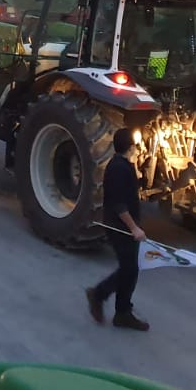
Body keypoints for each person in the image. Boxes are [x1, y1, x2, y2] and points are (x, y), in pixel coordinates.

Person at [87, 128, 150, 331]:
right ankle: (99, 295)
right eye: (137, 145)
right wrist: (134, 228)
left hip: (126, 227)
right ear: (131, 147)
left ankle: (122, 312)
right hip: (119, 228)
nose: (139, 149)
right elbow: (119, 205)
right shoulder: (118, 169)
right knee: (129, 269)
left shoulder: (125, 166)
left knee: (130, 270)